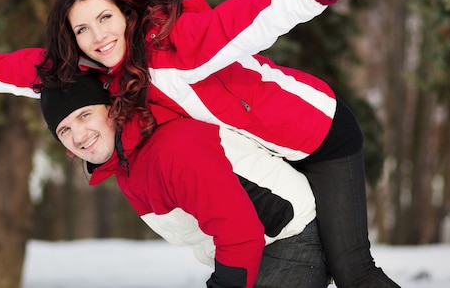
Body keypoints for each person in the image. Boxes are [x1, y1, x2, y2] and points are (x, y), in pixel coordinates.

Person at [0, 0, 399, 287]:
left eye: (104, 19)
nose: (96, 36)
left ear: (126, 11)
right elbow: (34, 72)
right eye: (82, 29)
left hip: (317, 135)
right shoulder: (105, 75)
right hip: (265, 154)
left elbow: (250, 18)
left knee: (353, 271)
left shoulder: (179, 45)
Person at [39, 72, 328, 288]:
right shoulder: (127, 164)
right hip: (261, 249)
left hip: (291, 240)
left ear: (112, 110)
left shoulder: (171, 148)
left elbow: (241, 234)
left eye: (85, 115)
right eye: (64, 130)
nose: (78, 136)